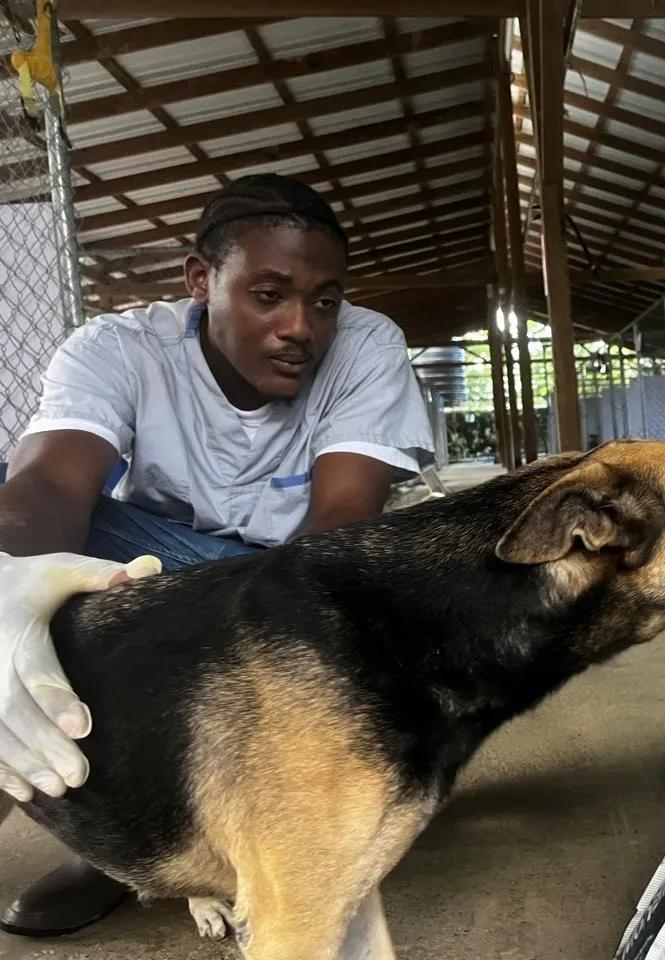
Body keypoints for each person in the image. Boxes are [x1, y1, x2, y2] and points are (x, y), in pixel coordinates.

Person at [0, 174, 433, 937]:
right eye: (269, 294)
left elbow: (333, 537)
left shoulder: (368, 348)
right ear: (201, 280)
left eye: (324, 300)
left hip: (303, 582)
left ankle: (189, 832)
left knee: (386, 589)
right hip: (167, 581)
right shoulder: (117, 349)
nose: (302, 326)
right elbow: (44, 488)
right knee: (38, 561)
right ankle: (112, 838)